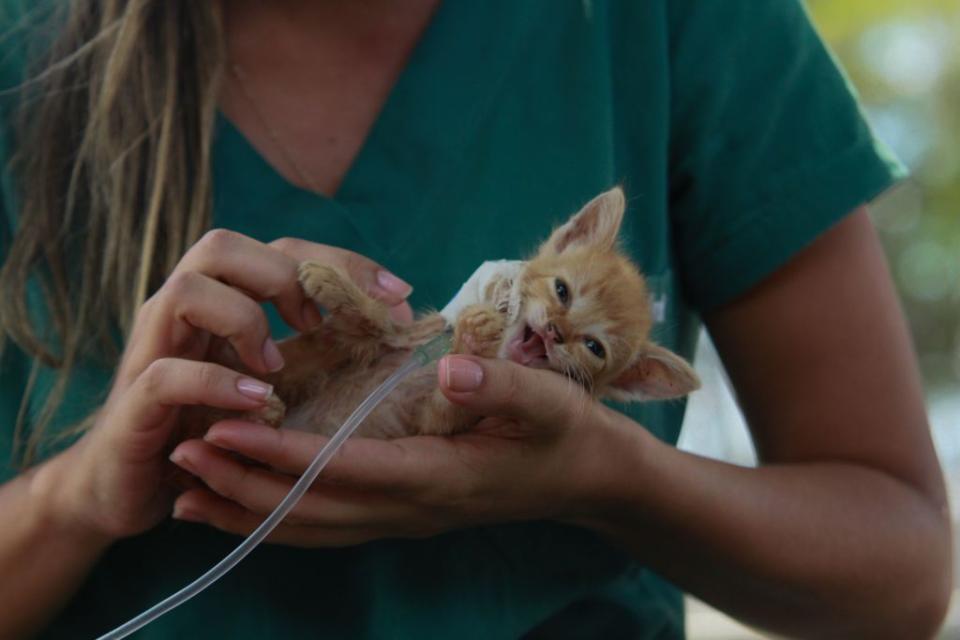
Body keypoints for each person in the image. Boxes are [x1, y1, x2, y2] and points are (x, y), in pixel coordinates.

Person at [0, 0, 951, 638]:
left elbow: (902, 574)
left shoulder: (676, 26)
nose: (550, 334)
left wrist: (616, 479)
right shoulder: (26, 57)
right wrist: (79, 493)